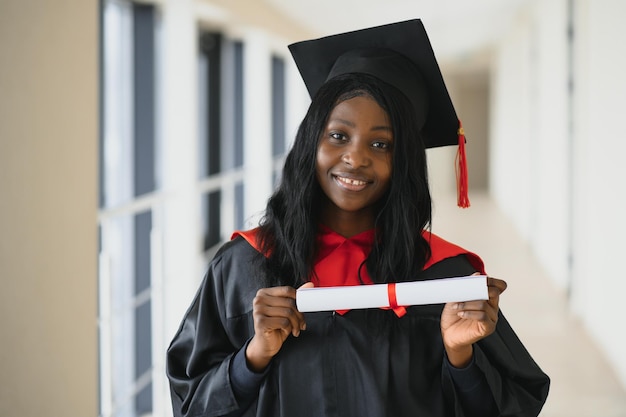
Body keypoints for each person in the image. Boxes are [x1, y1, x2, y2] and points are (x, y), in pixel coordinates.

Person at [166, 19, 550, 417]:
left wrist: (460, 354)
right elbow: (192, 406)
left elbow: (513, 405)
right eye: (338, 136)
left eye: (381, 143)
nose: (356, 157)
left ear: (403, 163)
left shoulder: (443, 279)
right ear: (310, 141)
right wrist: (253, 356)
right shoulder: (242, 267)